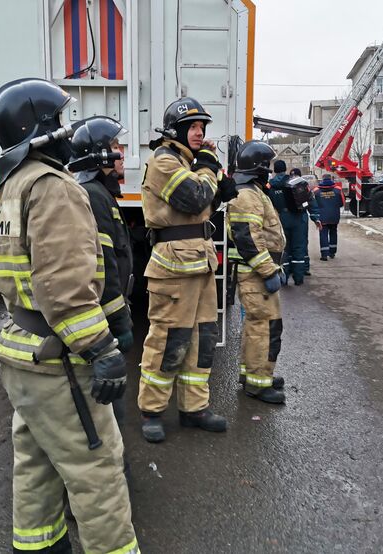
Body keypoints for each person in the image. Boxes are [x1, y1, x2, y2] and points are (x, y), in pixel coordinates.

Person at [0, 78, 137, 554]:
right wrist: (101, 348)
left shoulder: (10, 185)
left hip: (21, 350)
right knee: (96, 468)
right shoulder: (53, 186)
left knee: (35, 463)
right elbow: (65, 289)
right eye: (62, 118)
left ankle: (37, 547)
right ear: (42, 124)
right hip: (59, 362)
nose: (69, 128)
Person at [137, 96, 236, 443]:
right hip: (173, 265)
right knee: (167, 340)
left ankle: (195, 408)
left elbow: (223, 193)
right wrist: (208, 165)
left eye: (202, 128)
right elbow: (196, 198)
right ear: (176, 130)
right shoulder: (164, 161)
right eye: (192, 127)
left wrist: (213, 165)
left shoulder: (189, 163)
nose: (198, 133)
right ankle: (152, 410)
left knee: (202, 338)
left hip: (201, 260)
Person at [70, 116, 134, 432]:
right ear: (100, 155)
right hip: (102, 319)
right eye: (115, 146)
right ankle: (112, 468)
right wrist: (120, 320)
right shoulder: (93, 195)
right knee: (107, 405)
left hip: (104, 314)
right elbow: (103, 266)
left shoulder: (99, 192)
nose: (121, 153)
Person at [227, 141, 286, 404]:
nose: (270, 171)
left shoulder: (252, 191)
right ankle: (257, 384)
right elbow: (248, 239)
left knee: (259, 326)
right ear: (258, 167)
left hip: (258, 272)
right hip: (255, 274)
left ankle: (256, 375)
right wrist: (269, 271)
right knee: (263, 327)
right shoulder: (246, 195)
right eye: (268, 165)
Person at [268, 160, 320, 285]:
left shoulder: (270, 186)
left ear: (274, 170)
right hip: (299, 218)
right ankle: (298, 278)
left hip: (281, 219)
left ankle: (284, 278)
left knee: (284, 248)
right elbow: (310, 200)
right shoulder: (296, 182)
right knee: (299, 247)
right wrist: (315, 217)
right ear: (286, 169)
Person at [315, 175, 344, 260]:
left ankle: (324, 254)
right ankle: (332, 252)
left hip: (322, 216)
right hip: (334, 216)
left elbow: (314, 204)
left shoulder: (316, 191)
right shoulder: (338, 190)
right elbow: (342, 202)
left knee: (323, 233)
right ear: (331, 179)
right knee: (333, 232)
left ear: (322, 179)